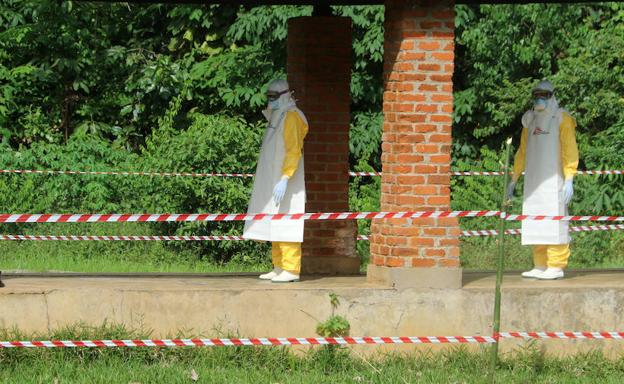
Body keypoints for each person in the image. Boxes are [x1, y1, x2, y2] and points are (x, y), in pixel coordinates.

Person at [507, 80, 579, 280]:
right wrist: (514, 178)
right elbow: (522, 151)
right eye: (536, 94)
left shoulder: (561, 118)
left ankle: (556, 265)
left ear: (552, 96)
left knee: (554, 221)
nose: (539, 98)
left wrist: (569, 177)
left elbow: (569, 150)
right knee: (535, 220)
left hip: (555, 180)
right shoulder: (529, 120)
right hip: (534, 182)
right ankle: (540, 265)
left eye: (544, 95)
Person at [242, 79, 309, 283]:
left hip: (287, 182)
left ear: (285, 95)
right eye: (268, 96)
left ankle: (291, 268)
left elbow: (293, 149)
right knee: (274, 220)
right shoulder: (277, 116)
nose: (270, 101)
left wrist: (285, 177)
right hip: (275, 180)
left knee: (287, 221)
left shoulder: (291, 117)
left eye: (273, 97)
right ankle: (279, 266)